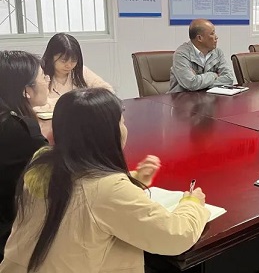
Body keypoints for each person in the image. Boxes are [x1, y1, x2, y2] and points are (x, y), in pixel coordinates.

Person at [0, 88, 209, 273]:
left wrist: (133, 179)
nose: (125, 127)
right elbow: (175, 236)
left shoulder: (42, 163)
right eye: (122, 122)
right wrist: (192, 204)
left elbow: (79, 195)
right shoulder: (107, 188)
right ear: (108, 133)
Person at [0, 51, 49, 261]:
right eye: (43, 77)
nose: (47, 81)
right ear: (26, 91)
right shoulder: (22, 130)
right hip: (13, 232)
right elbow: (57, 178)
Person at [36, 33, 112, 112]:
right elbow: (35, 105)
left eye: (74, 60)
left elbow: (107, 91)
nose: (69, 65)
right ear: (51, 57)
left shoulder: (80, 71)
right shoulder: (39, 74)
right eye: (63, 60)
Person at [169, 19, 236, 93]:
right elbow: (191, 83)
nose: (216, 37)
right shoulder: (181, 54)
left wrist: (200, 84)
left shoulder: (217, 52)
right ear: (199, 38)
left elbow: (229, 78)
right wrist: (213, 75)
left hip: (209, 97)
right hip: (183, 98)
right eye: (212, 34)